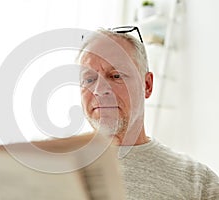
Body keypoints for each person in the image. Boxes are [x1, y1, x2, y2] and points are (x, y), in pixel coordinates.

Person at [77, 26, 219, 199]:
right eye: (89, 79)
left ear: (147, 85)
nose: (99, 90)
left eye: (115, 76)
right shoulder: (51, 168)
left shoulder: (199, 182)